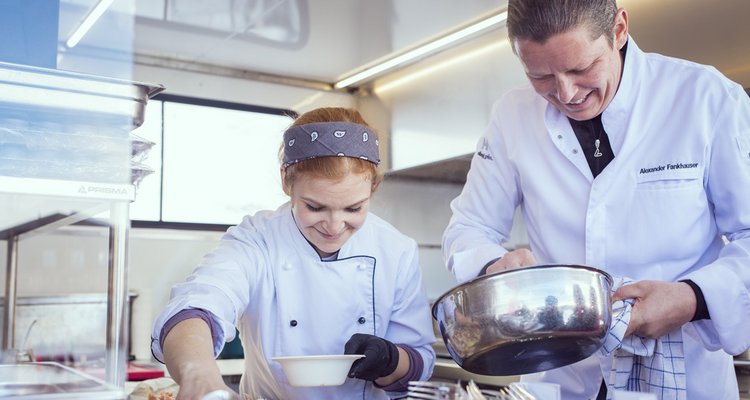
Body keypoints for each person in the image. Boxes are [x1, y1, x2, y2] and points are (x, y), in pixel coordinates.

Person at [441, 0, 750, 399]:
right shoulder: (512, 116)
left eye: (581, 68)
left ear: (619, 29)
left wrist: (693, 297)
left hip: (686, 374)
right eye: (541, 76)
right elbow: (468, 227)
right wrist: (492, 264)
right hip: (562, 374)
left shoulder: (705, 98)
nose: (566, 93)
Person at [151, 107, 436, 400]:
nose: (334, 226)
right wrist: (199, 377)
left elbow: (420, 362)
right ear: (287, 181)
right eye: (315, 207)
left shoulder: (396, 250)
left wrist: (391, 360)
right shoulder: (258, 239)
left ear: (373, 187)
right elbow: (197, 305)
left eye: (354, 208)